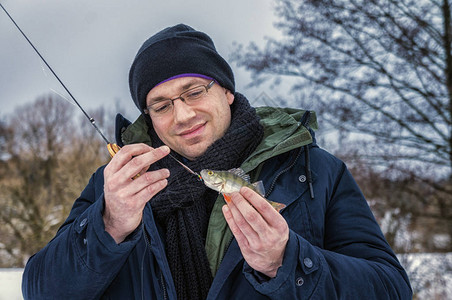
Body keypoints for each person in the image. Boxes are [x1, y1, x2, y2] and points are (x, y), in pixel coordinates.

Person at [22, 24, 412, 299]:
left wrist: (287, 261)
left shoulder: (314, 170)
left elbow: (390, 289)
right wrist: (107, 225)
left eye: (194, 92)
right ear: (149, 117)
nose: (182, 116)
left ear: (226, 91)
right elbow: (41, 290)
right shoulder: (117, 184)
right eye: (161, 105)